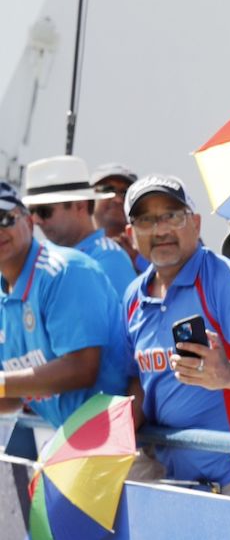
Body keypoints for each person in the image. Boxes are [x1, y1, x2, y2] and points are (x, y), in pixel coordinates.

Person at [121, 175, 230, 496]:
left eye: (172, 216)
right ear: (131, 234)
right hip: (174, 480)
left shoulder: (223, 279)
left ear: (195, 223)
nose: (161, 229)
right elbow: (137, 380)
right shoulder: (133, 297)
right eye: (147, 220)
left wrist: (227, 375)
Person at [0, 177, 127, 427]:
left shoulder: (65, 270)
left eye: (5, 219)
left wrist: (3, 384)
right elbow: (13, 396)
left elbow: (81, 368)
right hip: (67, 441)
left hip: (120, 438)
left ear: (28, 221)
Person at [25, 156, 136, 295]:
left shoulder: (108, 258)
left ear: (80, 206)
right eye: (31, 212)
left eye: (44, 211)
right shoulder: (40, 259)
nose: (36, 221)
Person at [90, 162, 144, 270]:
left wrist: (138, 262)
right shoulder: (74, 245)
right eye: (107, 190)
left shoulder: (147, 249)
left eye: (125, 193)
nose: (117, 199)